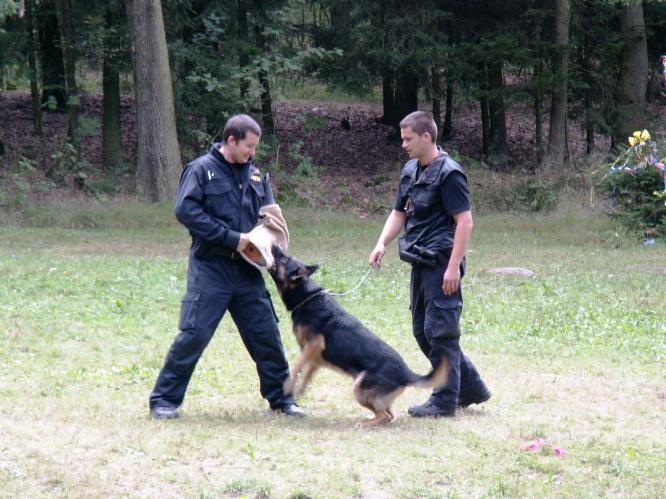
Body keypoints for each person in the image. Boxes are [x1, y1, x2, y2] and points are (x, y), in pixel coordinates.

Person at [149, 114, 304, 419]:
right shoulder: (201, 170)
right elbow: (187, 211)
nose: (252, 152)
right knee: (194, 334)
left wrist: (272, 244)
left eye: (255, 147)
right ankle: (164, 400)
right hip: (211, 268)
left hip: (247, 270)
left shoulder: (257, 175)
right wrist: (232, 238)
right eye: (249, 146)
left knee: (266, 333)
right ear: (231, 140)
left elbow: (270, 217)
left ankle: (283, 400)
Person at [368, 111, 491, 418]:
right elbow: (399, 213)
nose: (403, 145)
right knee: (423, 331)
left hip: (441, 263)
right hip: (419, 262)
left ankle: (445, 400)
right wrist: (382, 242)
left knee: (442, 333)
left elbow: (464, 222)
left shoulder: (450, 174)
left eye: (408, 138)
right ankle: (471, 387)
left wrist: (453, 267)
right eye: (403, 138)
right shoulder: (411, 170)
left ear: (427, 137)